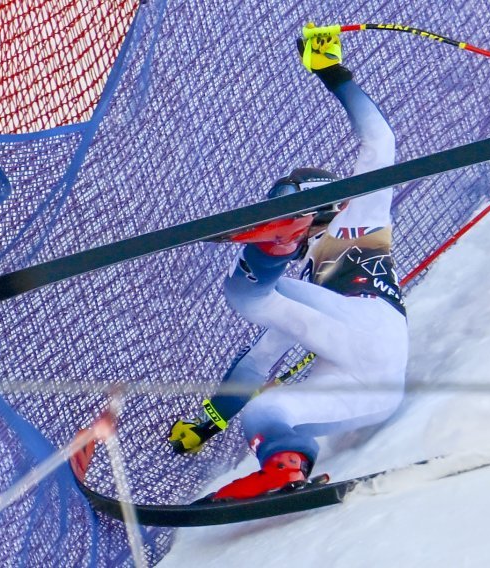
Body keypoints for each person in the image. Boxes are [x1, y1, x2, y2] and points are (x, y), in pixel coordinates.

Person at [169, 29, 408, 500]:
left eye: (292, 216)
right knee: (264, 416)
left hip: (374, 326)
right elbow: (256, 365)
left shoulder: (362, 209)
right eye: (284, 220)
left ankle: (270, 248)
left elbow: (380, 140)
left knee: (251, 295)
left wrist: (330, 73)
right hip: (371, 395)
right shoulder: (307, 288)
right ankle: (284, 470)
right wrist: (209, 424)